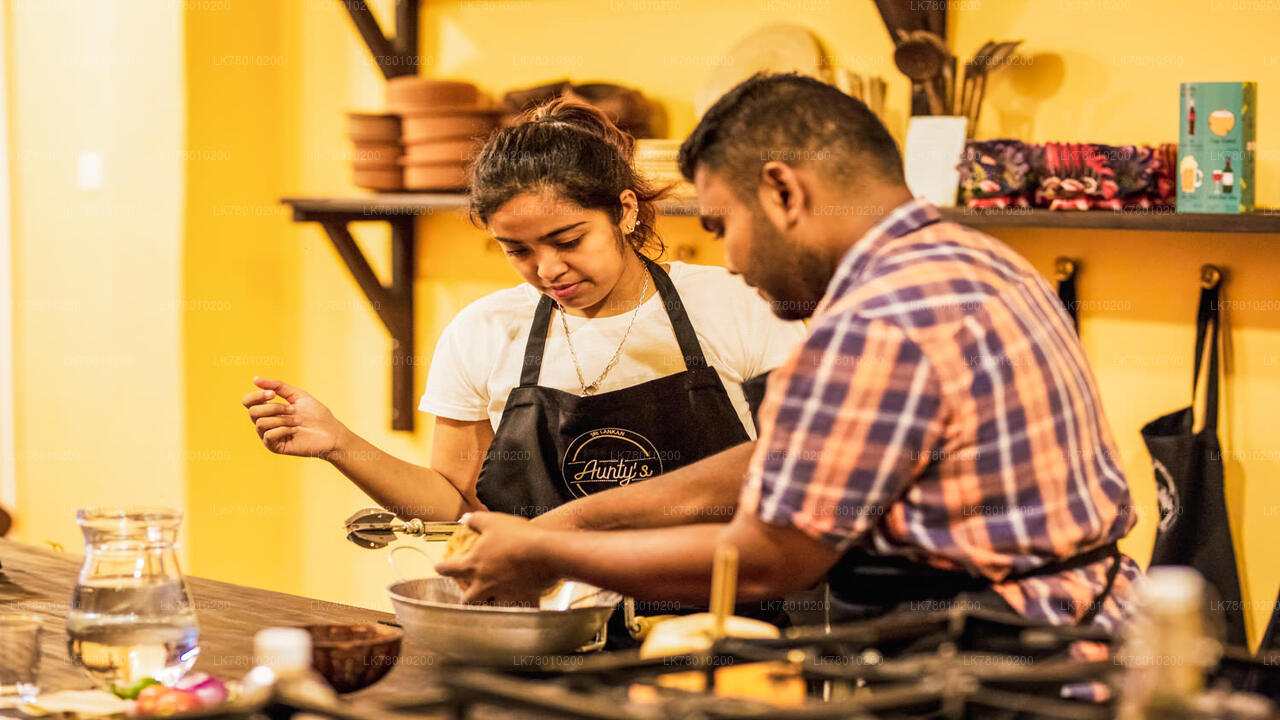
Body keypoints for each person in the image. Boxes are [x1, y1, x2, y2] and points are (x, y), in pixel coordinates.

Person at [435, 74, 1144, 635]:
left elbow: (767, 558)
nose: (731, 261)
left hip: (1010, 657)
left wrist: (546, 553)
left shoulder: (875, 324)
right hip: (1086, 623)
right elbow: (786, 457)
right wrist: (579, 520)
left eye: (722, 225)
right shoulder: (974, 259)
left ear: (782, 190)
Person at [241, 98, 804, 529]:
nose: (548, 269)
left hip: (717, 624)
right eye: (519, 251)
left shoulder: (737, 303)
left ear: (624, 212)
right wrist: (339, 442)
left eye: (569, 239)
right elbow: (454, 502)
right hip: (543, 629)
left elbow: (797, 468)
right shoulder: (483, 331)